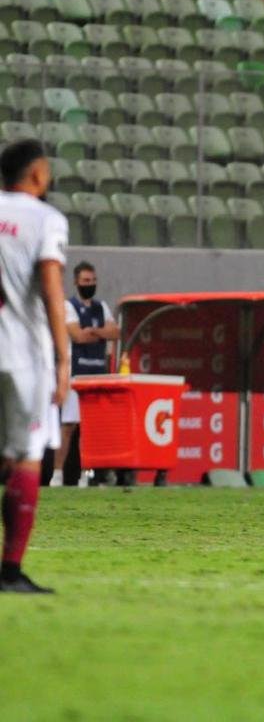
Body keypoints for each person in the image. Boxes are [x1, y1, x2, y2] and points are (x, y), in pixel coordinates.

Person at [0, 139, 70, 593]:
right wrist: (64, 358)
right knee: (26, 457)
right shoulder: (46, 219)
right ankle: (10, 571)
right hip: (22, 354)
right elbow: (51, 288)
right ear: (38, 174)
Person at [49, 261, 119, 487]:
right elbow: (77, 335)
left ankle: (85, 474)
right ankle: (57, 474)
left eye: (93, 280)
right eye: (86, 281)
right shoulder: (68, 306)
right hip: (77, 373)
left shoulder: (101, 307)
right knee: (69, 426)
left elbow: (115, 332)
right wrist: (100, 333)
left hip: (98, 373)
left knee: (91, 429)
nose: (90, 284)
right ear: (76, 282)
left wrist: (94, 331)